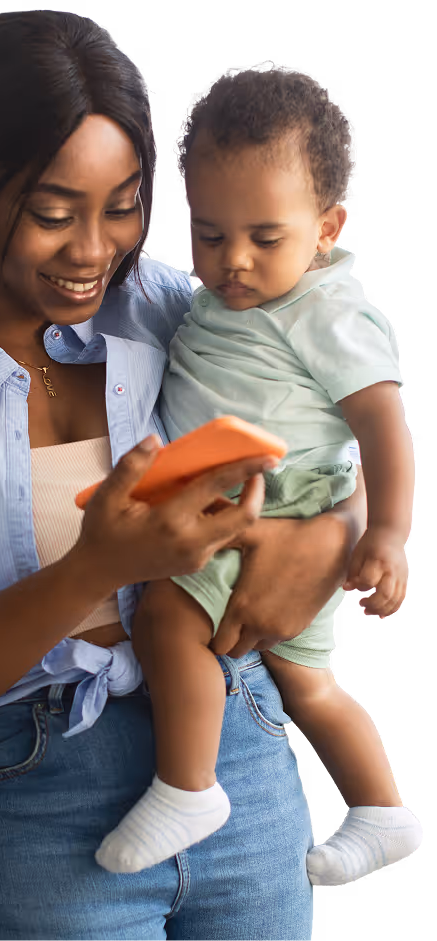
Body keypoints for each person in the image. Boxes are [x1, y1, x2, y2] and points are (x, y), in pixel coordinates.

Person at [0, 11, 379, 940]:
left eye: (123, 205)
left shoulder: (176, 310)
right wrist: (95, 567)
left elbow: (339, 427)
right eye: (53, 213)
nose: (95, 250)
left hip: (248, 758)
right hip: (37, 799)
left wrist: (333, 533)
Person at [94, 108, 424, 884]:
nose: (232, 260)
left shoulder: (328, 313)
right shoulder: (215, 296)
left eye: (264, 239)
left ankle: (187, 787)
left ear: (325, 228)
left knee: (166, 618)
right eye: (207, 234)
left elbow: (384, 429)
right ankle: (382, 810)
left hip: (279, 500)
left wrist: (385, 532)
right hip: (243, 492)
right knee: (308, 681)